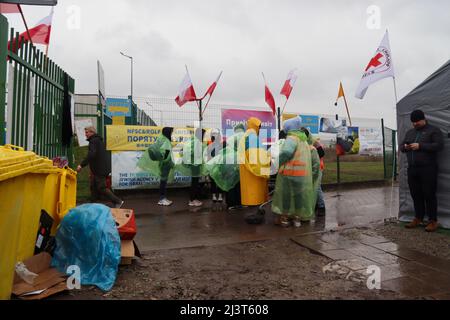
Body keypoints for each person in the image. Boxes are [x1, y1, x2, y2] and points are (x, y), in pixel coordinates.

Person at [400, 110, 444, 232]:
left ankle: (432, 221)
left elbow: (439, 145)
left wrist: (420, 146)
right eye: (413, 122)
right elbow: (401, 147)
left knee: (429, 194)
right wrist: (405, 147)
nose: (415, 124)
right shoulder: (410, 132)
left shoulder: (433, 130)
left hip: (428, 168)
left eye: (417, 121)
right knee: (416, 194)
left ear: (423, 119)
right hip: (412, 169)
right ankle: (418, 218)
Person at [272, 117, 315, 228]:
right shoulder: (303, 139)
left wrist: (277, 162)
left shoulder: (292, 138)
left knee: (285, 196)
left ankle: (285, 218)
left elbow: (286, 151)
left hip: (289, 173)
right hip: (301, 174)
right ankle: (297, 219)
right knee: (298, 197)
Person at [77, 126, 124, 208]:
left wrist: (81, 165)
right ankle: (91, 205)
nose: (85, 134)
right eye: (85, 132)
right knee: (94, 187)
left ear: (92, 132)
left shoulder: (93, 141)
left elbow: (92, 154)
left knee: (101, 187)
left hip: (100, 169)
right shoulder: (98, 140)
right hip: (102, 167)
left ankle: (118, 201)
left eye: (87, 132)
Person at [238, 117, 271, 207]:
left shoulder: (245, 136)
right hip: (254, 176)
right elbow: (257, 158)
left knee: (249, 196)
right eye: (259, 127)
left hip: (246, 172)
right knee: (255, 199)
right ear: (255, 126)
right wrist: (268, 158)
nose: (260, 129)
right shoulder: (252, 138)